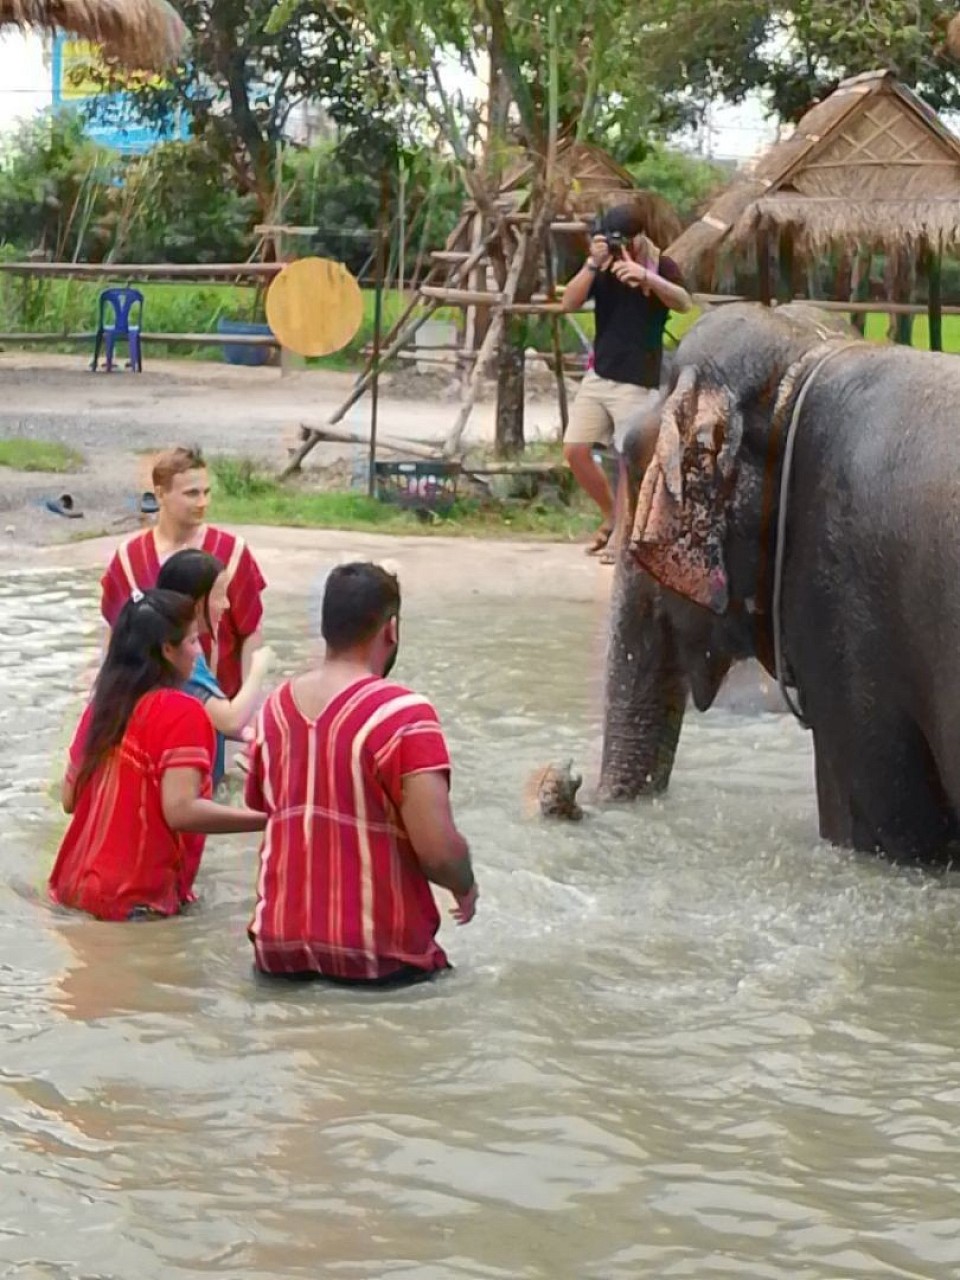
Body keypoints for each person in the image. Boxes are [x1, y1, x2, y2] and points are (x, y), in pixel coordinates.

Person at [243, 561, 477, 987]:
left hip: (276, 953)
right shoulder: (404, 714)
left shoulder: (274, 708)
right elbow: (439, 852)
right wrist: (465, 884)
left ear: (326, 627)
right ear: (391, 630)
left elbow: (262, 807)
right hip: (378, 960)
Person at [50, 589, 266, 922]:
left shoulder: (102, 707)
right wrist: (267, 819)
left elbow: (69, 799)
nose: (198, 651)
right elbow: (181, 811)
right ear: (167, 650)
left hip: (69, 890)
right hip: (134, 903)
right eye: (192, 641)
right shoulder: (182, 711)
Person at [561, 203, 692, 558]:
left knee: (626, 460)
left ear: (641, 236)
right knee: (575, 450)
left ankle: (621, 535)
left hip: (638, 380)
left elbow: (684, 302)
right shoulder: (602, 266)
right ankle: (611, 517)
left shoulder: (661, 265)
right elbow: (568, 303)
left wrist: (646, 277)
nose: (621, 247)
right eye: (613, 240)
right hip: (600, 373)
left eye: (626, 241)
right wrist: (592, 264)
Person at [100, 446, 266, 698]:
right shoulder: (128, 559)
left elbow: (251, 632)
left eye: (206, 492)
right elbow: (115, 637)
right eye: (191, 494)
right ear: (160, 494)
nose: (202, 502)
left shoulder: (232, 552)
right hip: (147, 706)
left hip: (219, 706)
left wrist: (248, 705)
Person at [156, 549, 274, 787]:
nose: (227, 605)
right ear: (197, 604)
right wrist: (257, 670)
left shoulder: (177, 644)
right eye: (220, 595)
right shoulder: (179, 657)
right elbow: (229, 720)